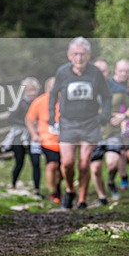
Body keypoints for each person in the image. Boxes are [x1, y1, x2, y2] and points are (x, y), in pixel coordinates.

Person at [49, 37, 111, 210]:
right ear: (69, 55)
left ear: (88, 55)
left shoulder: (95, 73)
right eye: (75, 54)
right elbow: (53, 95)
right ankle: (70, 190)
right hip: (68, 122)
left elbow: (106, 96)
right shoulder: (63, 72)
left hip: (90, 122)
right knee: (67, 162)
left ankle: (82, 199)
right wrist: (52, 116)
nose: (79, 58)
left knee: (84, 162)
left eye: (82, 54)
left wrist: (104, 115)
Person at [89, 59, 129, 205]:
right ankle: (101, 197)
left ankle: (111, 181)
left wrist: (123, 116)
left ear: (108, 72)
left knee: (112, 163)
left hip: (112, 132)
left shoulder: (119, 89)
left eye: (103, 71)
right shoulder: (86, 88)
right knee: (95, 168)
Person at [26, 77, 63, 204]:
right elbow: (29, 119)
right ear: (47, 89)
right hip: (47, 140)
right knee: (52, 165)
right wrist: (34, 134)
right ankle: (53, 192)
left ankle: (58, 188)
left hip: (64, 141)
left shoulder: (65, 101)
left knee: (62, 168)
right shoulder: (39, 102)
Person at [3, 77, 41, 194]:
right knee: (19, 162)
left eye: (33, 90)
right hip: (19, 136)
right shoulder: (18, 103)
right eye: (29, 90)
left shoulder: (39, 102)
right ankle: (13, 183)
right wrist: (27, 123)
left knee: (36, 162)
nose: (32, 93)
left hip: (34, 136)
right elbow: (11, 119)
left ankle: (36, 189)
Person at [111, 59, 129, 190]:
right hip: (112, 124)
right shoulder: (109, 85)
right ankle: (122, 177)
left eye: (126, 71)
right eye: (121, 71)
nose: (124, 74)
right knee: (121, 153)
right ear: (115, 70)